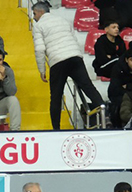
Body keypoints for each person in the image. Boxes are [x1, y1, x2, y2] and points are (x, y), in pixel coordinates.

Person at [32, 2, 103, 130]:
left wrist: (42, 70)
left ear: (40, 12)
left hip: (58, 61)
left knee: (56, 96)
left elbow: (39, 49)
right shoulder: (62, 20)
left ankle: (56, 129)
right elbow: (74, 39)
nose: (34, 17)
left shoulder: (38, 25)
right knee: (88, 87)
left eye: (34, 13)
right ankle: (104, 114)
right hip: (75, 57)